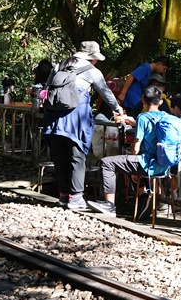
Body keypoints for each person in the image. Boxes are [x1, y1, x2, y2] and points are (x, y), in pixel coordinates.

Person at [42, 41, 129, 210]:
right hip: (76, 118)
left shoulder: (60, 65)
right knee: (77, 156)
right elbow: (106, 92)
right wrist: (118, 110)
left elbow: (46, 90)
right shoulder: (92, 71)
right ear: (92, 57)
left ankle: (63, 195)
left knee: (60, 157)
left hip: (53, 118)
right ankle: (76, 198)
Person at [88, 85, 180, 215]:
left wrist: (133, 172)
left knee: (107, 163)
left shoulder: (143, 118)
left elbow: (136, 148)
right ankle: (146, 202)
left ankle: (110, 205)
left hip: (146, 164)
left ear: (143, 100)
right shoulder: (166, 117)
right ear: (161, 102)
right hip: (164, 166)